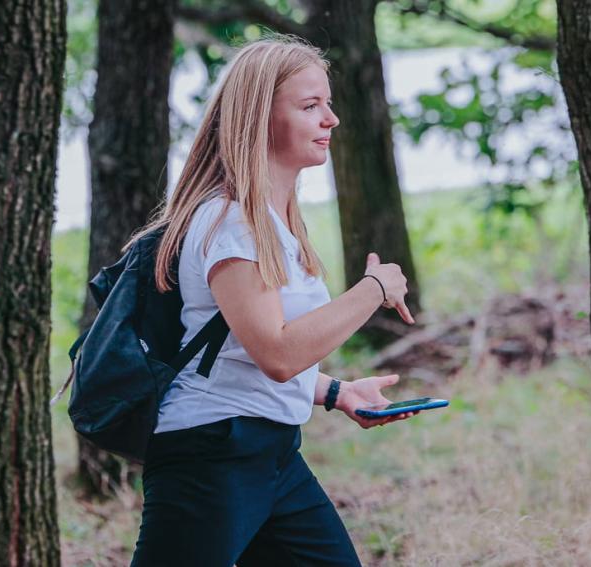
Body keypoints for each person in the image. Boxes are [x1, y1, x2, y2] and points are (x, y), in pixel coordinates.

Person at [127, 35, 418, 566]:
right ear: (260, 117)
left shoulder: (270, 218)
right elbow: (277, 354)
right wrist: (373, 290)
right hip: (211, 454)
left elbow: (238, 352)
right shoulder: (232, 221)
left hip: (272, 451)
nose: (331, 119)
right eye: (310, 106)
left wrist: (336, 391)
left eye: (327, 104)